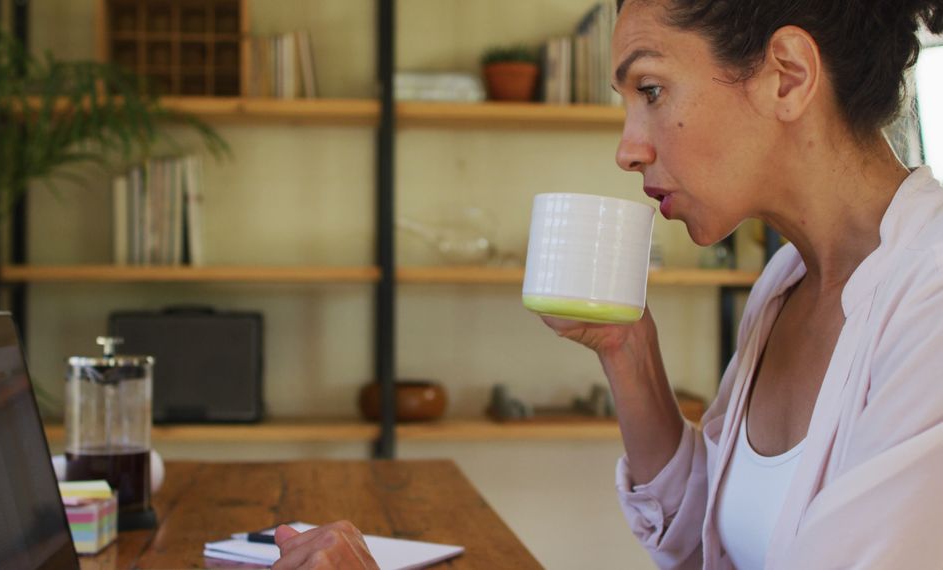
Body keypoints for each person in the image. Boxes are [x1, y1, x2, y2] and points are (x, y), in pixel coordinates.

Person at [270, 0, 943, 568]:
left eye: (651, 90)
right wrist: (626, 346)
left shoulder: (931, 301)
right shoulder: (784, 285)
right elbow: (708, 541)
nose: (627, 148)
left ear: (788, 77)